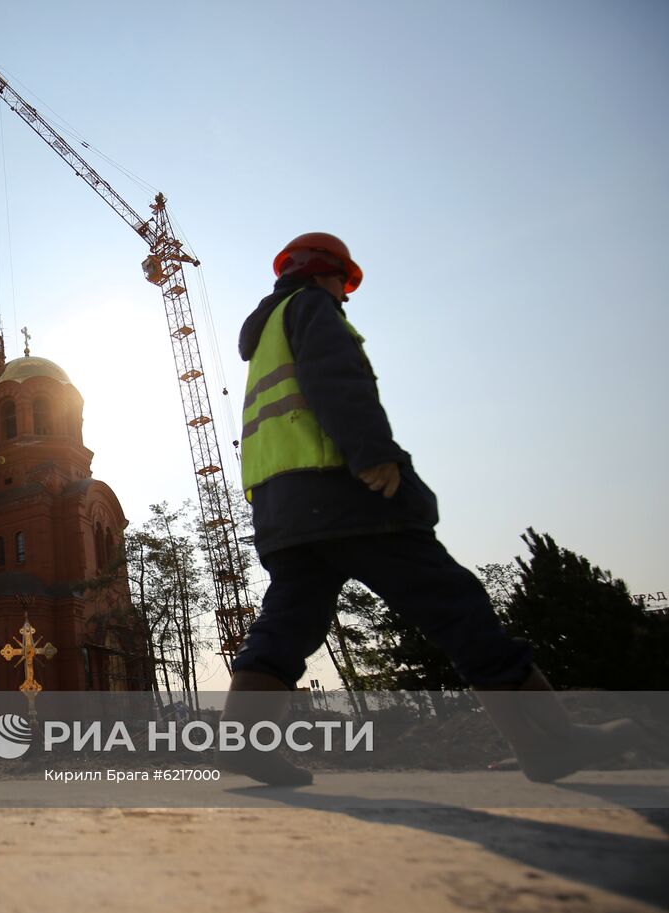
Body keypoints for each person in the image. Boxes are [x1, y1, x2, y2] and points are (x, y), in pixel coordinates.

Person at [224, 232, 641, 786]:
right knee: (455, 604)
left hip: (282, 508)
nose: (345, 296)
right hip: (343, 495)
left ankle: (244, 742)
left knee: (288, 623)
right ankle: (549, 742)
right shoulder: (312, 307)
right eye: (343, 284)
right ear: (325, 273)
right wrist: (375, 455)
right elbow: (337, 382)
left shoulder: (268, 330)